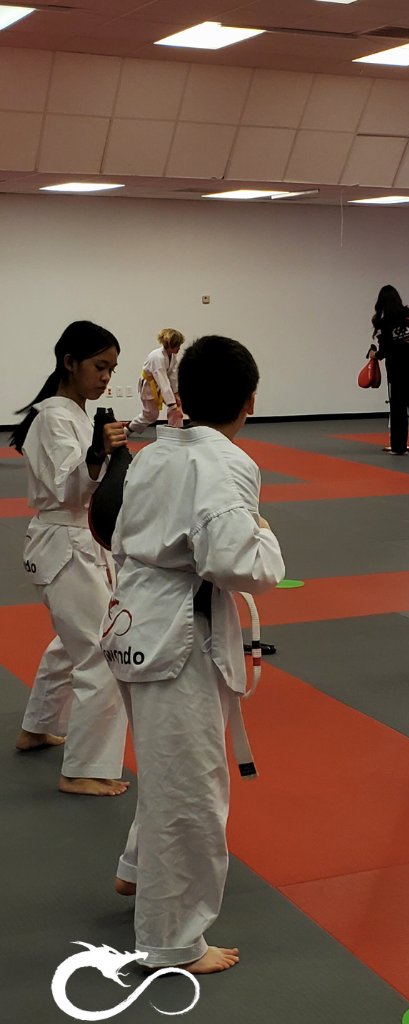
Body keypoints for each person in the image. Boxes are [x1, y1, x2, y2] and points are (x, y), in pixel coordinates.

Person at [106, 335, 284, 974]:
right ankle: (171, 939)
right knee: (191, 782)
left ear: (180, 397)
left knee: (164, 758)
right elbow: (235, 560)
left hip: (133, 618)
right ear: (250, 402)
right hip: (179, 629)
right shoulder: (229, 461)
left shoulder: (154, 452)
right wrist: (265, 538)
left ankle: (135, 869)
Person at [10, 321, 131, 796]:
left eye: (112, 368)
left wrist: (105, 449)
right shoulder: (54, 418)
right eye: (100, 366)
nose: (106, 376)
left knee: (71, 643)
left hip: (80, 544)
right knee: (104, 652)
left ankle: (37, 727)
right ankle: (83, 768)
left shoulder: (77, 415)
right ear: (69, 362)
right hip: (64, 544)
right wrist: (97, 454)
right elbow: (67, 484)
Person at [372, 286, 409, 455]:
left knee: (398, 408)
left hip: (396, 372)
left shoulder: (385, 322)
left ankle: (398, 447)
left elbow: (385, 351)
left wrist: (375, 354)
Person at [126, 328, 184, 436]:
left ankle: (175, 433)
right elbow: (163, 381)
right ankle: (127, 430)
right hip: (148, 387)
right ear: (169, 344)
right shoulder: (157, 357)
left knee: (176, 408)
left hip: (161, 385)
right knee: (151, 415)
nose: (179, 348)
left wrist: (176, 394)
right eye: (177, 345)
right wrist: (172, 404)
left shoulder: (172, 356)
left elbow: (173, 376)